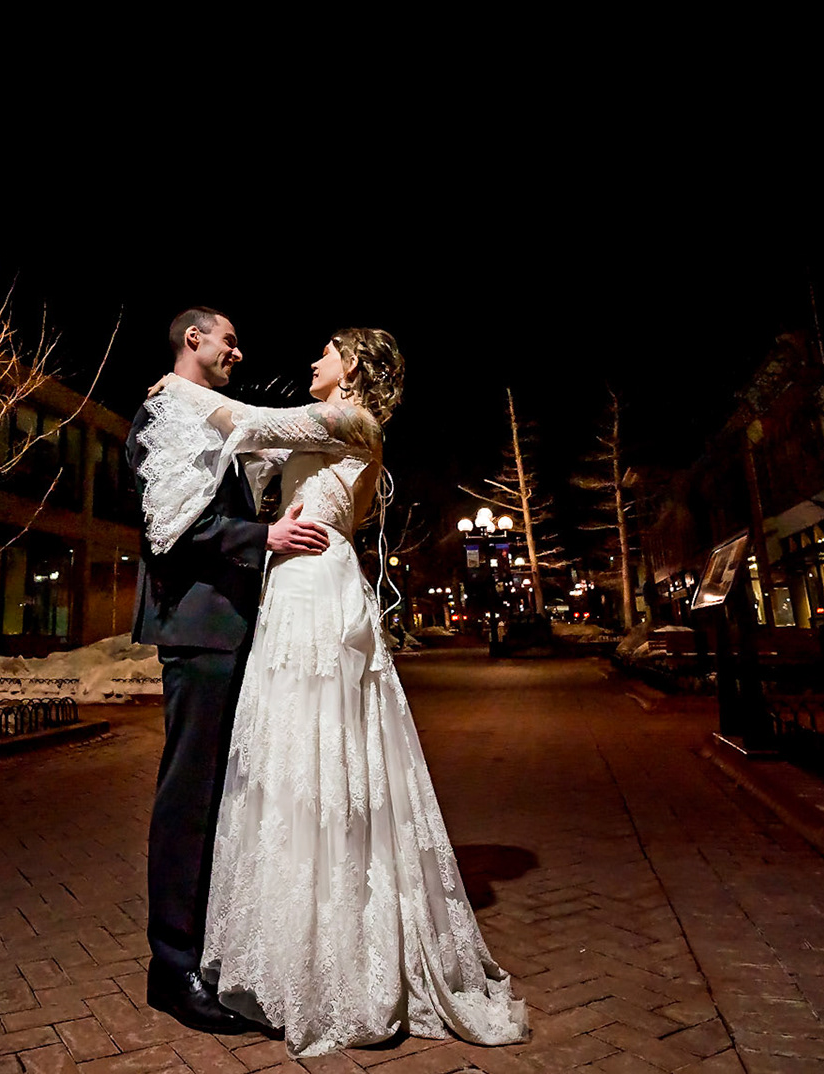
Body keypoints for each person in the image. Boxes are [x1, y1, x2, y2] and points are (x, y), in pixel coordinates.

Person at [157, 329, 530, 1060]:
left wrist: (176, 387)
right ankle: (292, 949)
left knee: (322, 764)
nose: (312, 361)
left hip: (317, 599)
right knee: (287, 769)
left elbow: (248, 425)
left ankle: (332, 964)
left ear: (353, 367)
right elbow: (251, 459)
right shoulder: (325, 424)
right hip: (289, 591)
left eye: (325, 350)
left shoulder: (351, 421)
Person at [126, 307, 331, 1034]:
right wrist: (264, 533)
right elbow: (172, 532)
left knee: (225, 797)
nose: (238, 353)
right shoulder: (164, 417)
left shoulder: (211, 420)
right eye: (229, 340)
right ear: (193, 339)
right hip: (200, 628)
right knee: (189, 798)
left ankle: (209, 949)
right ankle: (170, 968)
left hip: (235, 627)